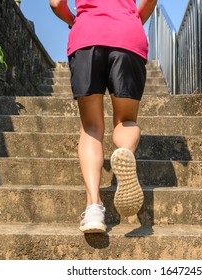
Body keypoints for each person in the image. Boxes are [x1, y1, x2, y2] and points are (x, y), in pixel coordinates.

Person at [49, 0, 157, 233]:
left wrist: (73, 20)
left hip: (87, 36)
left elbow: (56, 3)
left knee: (91, 128)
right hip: (128, 36)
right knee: (126, 120)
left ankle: (94, 209)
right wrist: (131, 20)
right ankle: (125, 151)